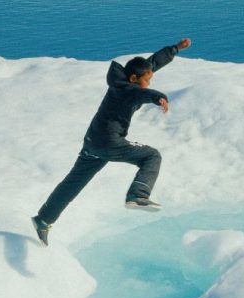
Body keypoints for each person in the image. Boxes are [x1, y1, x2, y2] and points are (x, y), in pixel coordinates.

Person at [32, 38, 192, 245]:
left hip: (92, 143)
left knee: (73, 184)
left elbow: (151, 63)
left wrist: (175, 49)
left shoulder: (123, 82)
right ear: (134, 78)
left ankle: (44, 219)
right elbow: (144, 92)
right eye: (147, 80)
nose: (149, 82)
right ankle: (138, 194)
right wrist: (158, 97)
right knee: (152, 156)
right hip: (109, 142)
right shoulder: (129, 90)